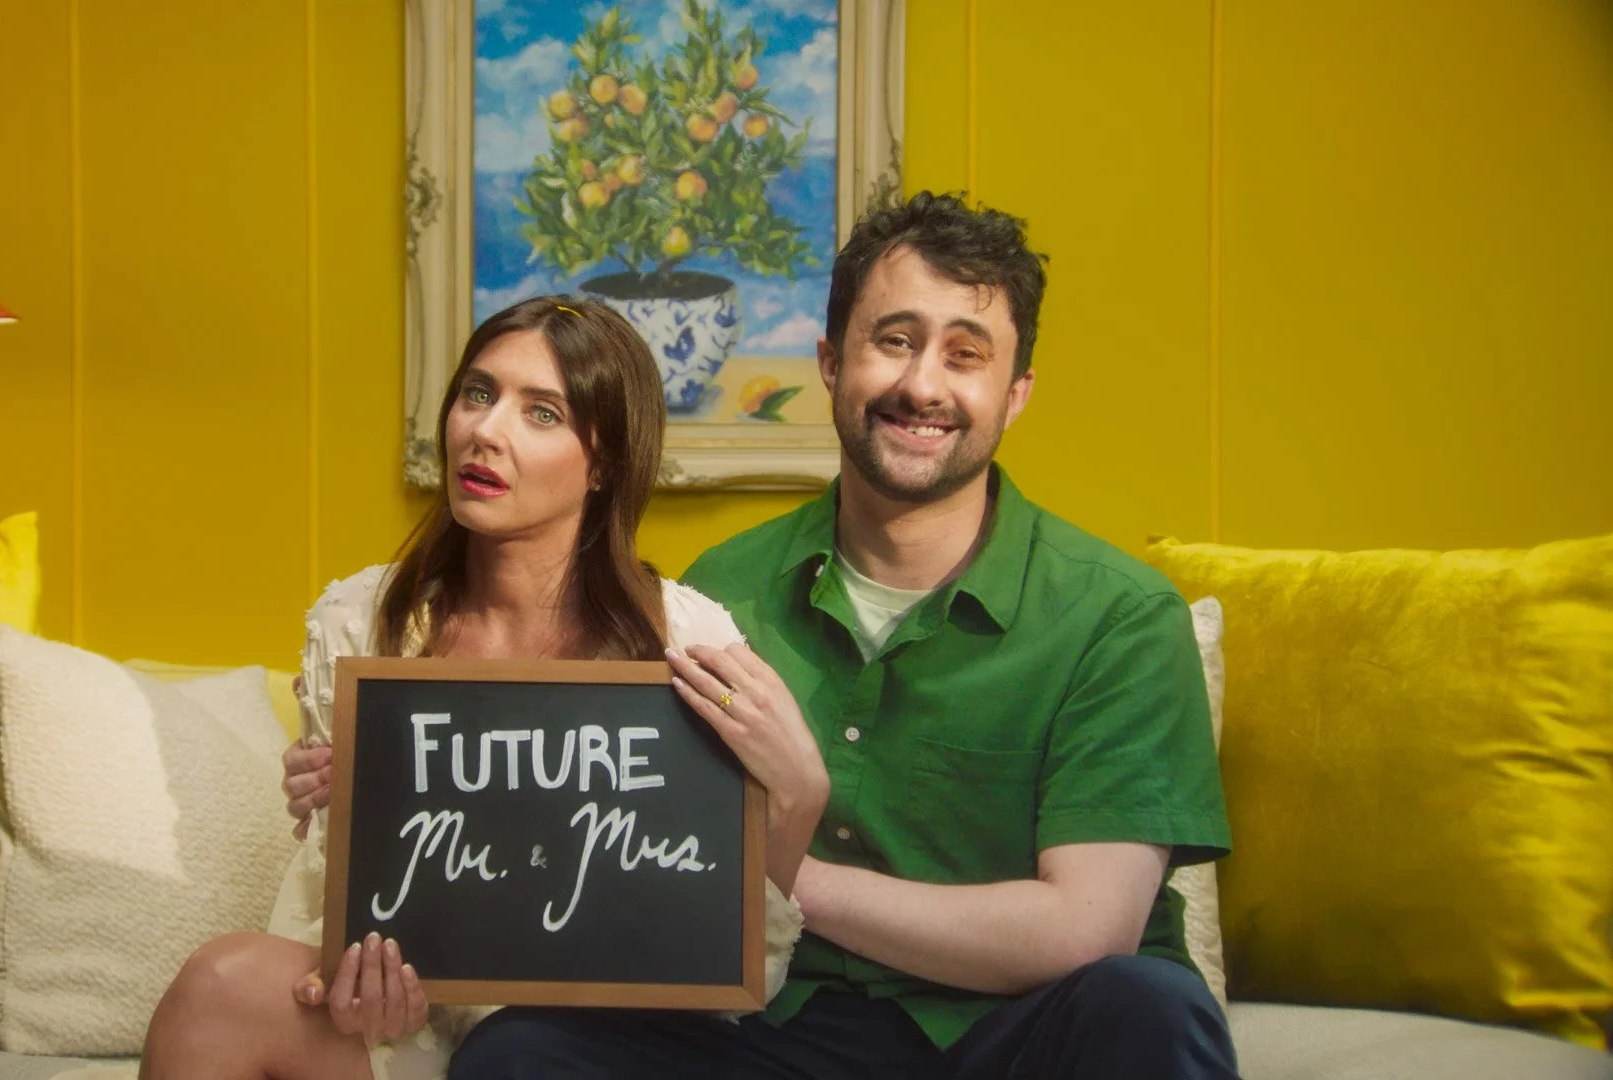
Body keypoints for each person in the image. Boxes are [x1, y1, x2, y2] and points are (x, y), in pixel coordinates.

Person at [288, 194, 1238, 1078]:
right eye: (893, 340)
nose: (921, 384)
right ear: (830, 362)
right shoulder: (716, 598)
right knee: (521, 1052)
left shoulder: (1119, 617)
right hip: (772, 1036)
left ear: (1016, 392)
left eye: (965, 354)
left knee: (1148, 1003)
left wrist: (779, 869)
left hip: (1015, 1034)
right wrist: (387, 781)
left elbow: (1085, 931)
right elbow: (594, 828)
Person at [140, 295, 827, 1080]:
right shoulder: (359, 621)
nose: (485, 431)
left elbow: (732, 970)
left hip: (589, 1041)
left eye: (541, 413)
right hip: (408, 1021)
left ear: (604, 463)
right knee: (221, 983)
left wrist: (796, 801)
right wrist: (360, 972)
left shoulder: (688, 640)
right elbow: (350, 890)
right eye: (478, 393)